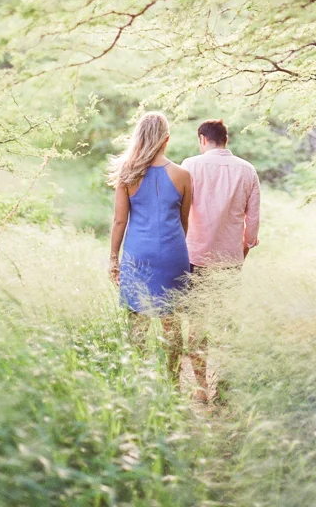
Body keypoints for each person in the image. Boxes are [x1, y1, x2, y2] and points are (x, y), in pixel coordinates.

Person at [108, 111, 192, 380]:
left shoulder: (127, 174)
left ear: (139, 138)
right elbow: (184, 222)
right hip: (173, 253)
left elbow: (119, 222)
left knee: (138, 321)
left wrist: (113, 259)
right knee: (172, 321)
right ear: (166, 140)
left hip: (138, 255)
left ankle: (139, 379)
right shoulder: (183, 175)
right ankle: (173, 380)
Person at [181, 118, 260, 401]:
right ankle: (224, 388)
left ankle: (201, 388)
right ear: (226, 139)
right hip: (230, 261)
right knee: (226, 321)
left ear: (203, 139)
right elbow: (253, 224)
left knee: (198, 322)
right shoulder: (247, 170)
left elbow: (179, 210)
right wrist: (243, 250)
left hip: (195, 256)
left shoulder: (190, 165)